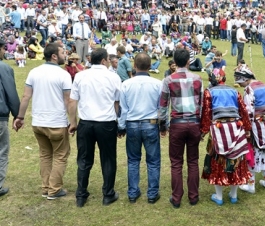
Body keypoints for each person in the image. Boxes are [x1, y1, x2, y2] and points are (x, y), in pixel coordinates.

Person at [13, 43, 72, 200]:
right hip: (57, 122)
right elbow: (68, 100)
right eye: (62, 52)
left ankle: (46, 187)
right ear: (54, 56)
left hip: (38, 123)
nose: (65, 55)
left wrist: (20, 117)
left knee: (45, 155)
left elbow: (26, 96)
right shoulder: (63, 74)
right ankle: (54, 189)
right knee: (60, 155)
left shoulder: (34, 72)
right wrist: (73, 121)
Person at [68, 48, 122, 208]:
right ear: (104, 60)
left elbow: (72, 101)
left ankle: (81, 194)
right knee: (108, 159)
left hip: (86, 122)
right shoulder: (113, 77)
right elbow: (117, 102)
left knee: (84, 159)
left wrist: (73, 122)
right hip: (106, 122)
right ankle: (108, 194)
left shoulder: (80, 75)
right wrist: (117, 119)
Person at [200, 69, 252, 205]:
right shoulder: (234, 92)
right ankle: (233, 195)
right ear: (224, 78)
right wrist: (247, 129)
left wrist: (203, 131)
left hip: (218, 129)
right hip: (236, 127)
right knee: (236, 160)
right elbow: (243, 111)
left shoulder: (209, 92)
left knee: (218, 161)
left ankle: (219, 197)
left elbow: (206, 113)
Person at [159, 49, 203, 208]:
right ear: (188, 62)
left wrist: (162, 125)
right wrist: (202, 126)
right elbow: (202, 104)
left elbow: (163, 105)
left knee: (176, 162)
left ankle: (176, 198)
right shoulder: (197, 79)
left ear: (174, 63)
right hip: (194, 123)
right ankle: (193, 196)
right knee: (193, 160)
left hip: (177, 124)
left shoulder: (168, 80)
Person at [118, 53, 163, 204]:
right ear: (150, 66)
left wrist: (121, 126)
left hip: (132, 123)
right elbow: (161, 108)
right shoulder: (157, 84)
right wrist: (163, 125)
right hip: (150, 123)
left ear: (134, 66)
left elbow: (123, 109)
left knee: (133, 160)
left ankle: (132, 192)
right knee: (153, 160)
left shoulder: (126, 84)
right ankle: (152, 193)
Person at [234, 65, 265, 193]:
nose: (239, 85)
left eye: (240, 82)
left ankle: (251, 185)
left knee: (253, 154)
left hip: (257, 126)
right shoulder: (263, 85)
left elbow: (248, 112)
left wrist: (246, 128)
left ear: (245, 79)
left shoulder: (248, 89)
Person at [0, 39, 20, 197]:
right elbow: (11, 93)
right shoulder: (4, 68)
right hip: (0, 116)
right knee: (2, 150)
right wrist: (17, 114)